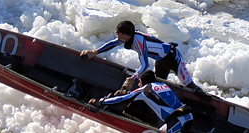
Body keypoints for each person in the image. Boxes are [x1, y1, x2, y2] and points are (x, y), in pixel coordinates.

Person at [80, 20, 211, 100]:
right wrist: (94, 52)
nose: (116, 34)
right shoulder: (130, 37)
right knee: (155, 86)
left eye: (118, 33)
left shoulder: (138, 42)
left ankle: (208, 99)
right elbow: (113, 43)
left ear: (126, 35)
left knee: (188, 84)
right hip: (161, 61)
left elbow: (144, 65)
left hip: (173, 58)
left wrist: (132, 79)